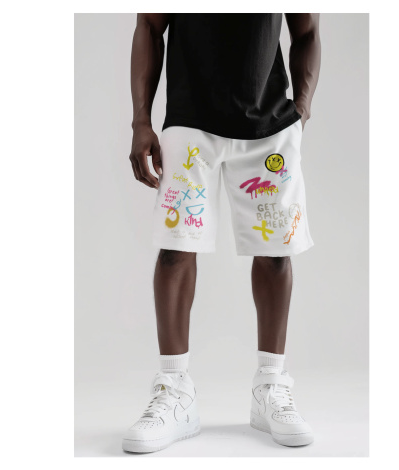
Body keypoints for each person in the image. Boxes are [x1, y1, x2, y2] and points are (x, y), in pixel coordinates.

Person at [122, 13, 321, 453]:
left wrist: (302, 111)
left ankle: (270, 385)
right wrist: (141, 120)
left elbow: (307, 31)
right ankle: (175, 390)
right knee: (175, 249)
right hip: (190, 120)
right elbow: (149, 25)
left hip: (270, 124)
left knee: (275, 252)